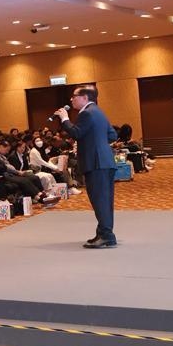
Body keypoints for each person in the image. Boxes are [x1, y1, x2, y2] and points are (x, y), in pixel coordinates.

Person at [57, 84, 117, 248]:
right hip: (104, 161)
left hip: (96, 162)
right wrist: (96, 142)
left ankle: (107, 236)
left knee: (100, 200)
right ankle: (104, 232)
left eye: (74, 97)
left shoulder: (87, 113)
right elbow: (112, 135)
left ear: (85, 98)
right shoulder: (98, 112)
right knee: (104, 199)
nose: (72, 99)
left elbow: (76, 133)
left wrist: (65, 119)